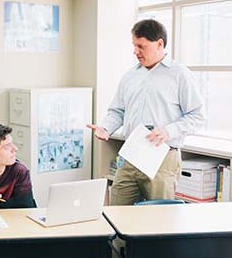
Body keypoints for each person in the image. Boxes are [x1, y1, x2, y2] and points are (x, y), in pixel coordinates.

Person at [87, 19, 206, 205]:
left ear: (159, 44)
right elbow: (117, 110)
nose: (135, 51)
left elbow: (197, 117)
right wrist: (106, 128)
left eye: (141, 46)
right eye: (134, 45)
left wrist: (168, 131)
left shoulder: (179, 74)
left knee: (158, 221)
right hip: (130, 154)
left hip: (162, 157)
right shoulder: (130, 75)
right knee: (117, 212)